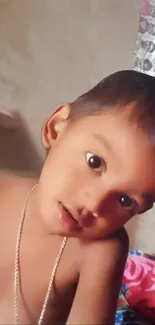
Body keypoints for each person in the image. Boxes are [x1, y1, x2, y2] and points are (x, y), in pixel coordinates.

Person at [0, 69, 155, 325]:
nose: (94, 204)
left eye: (125, 201)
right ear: (56, 128)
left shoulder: (102, 250)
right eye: (95, 162)